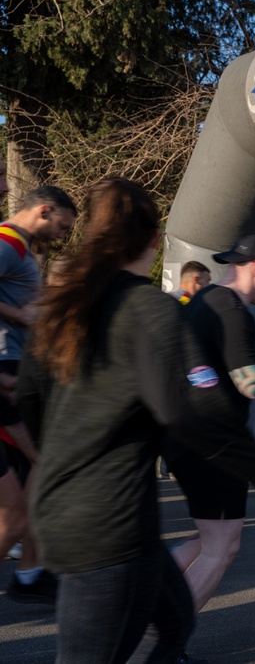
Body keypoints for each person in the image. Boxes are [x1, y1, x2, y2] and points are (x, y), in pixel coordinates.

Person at [18, 178, 255, 663]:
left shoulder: (63, 307)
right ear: (151, 240)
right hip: (108, 526)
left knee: (171, 626)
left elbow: (29, 400)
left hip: (88, 518)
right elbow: (188, 411)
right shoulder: (148, 309)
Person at [168, 235, 255, 617]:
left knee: (210, 538)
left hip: (190, 437)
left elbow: (214, 366)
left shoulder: (205, 301)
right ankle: (160, 641)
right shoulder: (233, 310)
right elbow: (252, 384)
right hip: (214, 442)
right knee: (222, 547)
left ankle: (145, 608)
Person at [0, 184, 78, 604]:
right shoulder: (8, 243)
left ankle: (31, 574)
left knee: (33, 481)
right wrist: (23, 314)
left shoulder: (20, 249)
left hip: (16, 376)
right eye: (63, 226)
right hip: (7, 378)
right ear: (45, 211)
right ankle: (31, 573)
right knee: (17, 507)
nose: (63, 235)